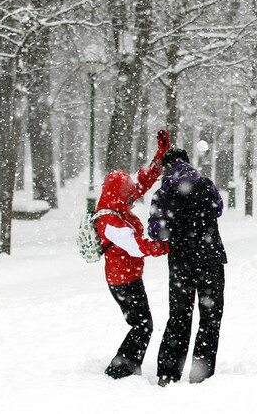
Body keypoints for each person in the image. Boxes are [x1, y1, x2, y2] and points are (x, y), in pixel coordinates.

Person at [149, 147, 227, 386]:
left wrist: (174, 223)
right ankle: (201, 374)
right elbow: (218, 209)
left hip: (181, 262)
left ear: (166, 168)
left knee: (179, 316)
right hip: (210, 258)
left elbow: (156, 232)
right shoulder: (206, 185)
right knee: (210, 317)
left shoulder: (162, 193)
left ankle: (167, 373)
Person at [97, 130, 170, 379]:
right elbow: (135, 246)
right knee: (142, 325)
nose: (133, 198)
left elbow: (140, 182)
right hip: (122, 281)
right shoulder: (109, 220)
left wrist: (159, 158)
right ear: (119, 194)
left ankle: (126, 367)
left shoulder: (116, 201)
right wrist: (164, 247)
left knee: (142, 324)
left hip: (129, 275)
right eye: (128, 196)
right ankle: (121, 370)